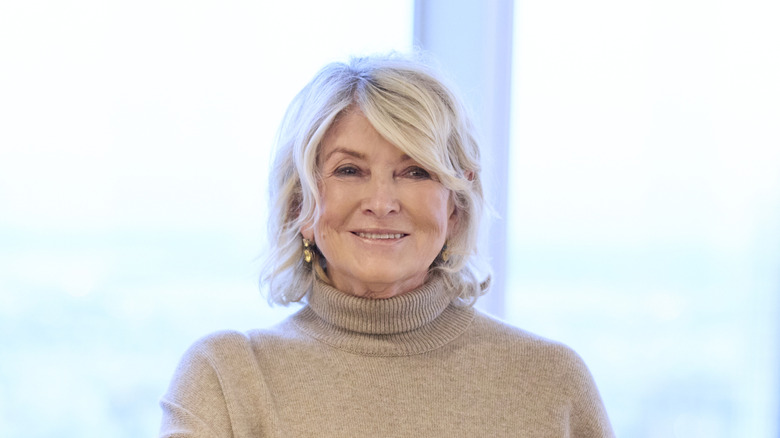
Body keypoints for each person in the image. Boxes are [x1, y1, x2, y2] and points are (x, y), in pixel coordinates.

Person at [159, 53, 615, 437]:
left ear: (454, 207)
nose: (381, 202)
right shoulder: (226, 379)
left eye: (415, 171)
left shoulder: (551, 384)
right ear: (301, 205)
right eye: (348, 170)